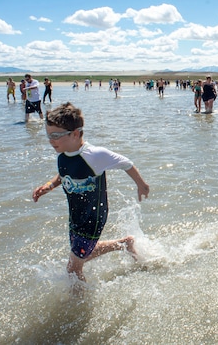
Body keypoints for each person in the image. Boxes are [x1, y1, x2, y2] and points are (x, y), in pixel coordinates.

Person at [32, 103, 150, 283]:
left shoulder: (95, 155)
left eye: (56, 135)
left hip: (92, 218)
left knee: (73, 268)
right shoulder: (62, 154)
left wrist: (141, 184)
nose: (51, 140)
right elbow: (64, 175)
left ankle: (79, 307)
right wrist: (49, 185)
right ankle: (125, 243)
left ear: (76, 133)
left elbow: (126, 163)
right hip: (75, 216)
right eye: (48, 135)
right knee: (82, 254)